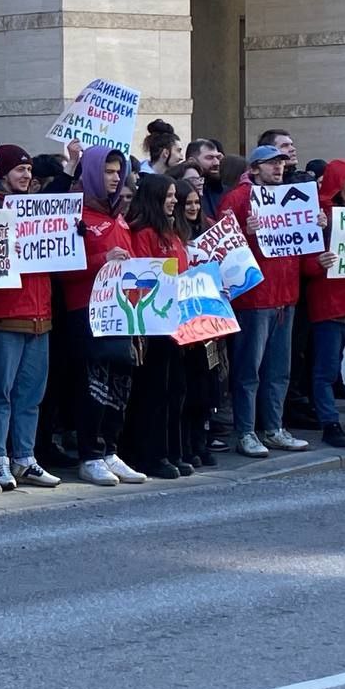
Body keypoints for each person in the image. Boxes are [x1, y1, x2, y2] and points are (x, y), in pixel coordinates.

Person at [0, 145, 61, 490]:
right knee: (0, 394)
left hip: (39, 315)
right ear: (3, 172)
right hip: (3, 315)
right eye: (19, 170)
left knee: (30, 394)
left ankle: (25, 457)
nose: (26, 176)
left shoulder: (37, 208)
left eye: (28, 170)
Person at [219, 144, 316, 457]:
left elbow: (303, 252)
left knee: (279, 370)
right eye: (271, 163)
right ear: (255, 168)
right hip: (255, 298)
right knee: (249, 371)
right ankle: (246, 432)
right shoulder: (236, 199)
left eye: (281, 163)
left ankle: (273, 428)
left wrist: (317, 230)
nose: (278, 168)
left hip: (285, 297)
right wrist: (245, 233)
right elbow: (223, 249)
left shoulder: (291, 197)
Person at [59, 145, 147, 486]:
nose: (114, 178)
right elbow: (63, 268)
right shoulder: (76, 214)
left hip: (121, 311)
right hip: (86, 311)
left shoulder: (118, 216)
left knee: (119, 381)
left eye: (118, 172)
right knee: (92, 384)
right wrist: (102, 259)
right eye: (108, 172)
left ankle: (110, 448)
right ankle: (90, 454)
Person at [125, 174, 191, 479]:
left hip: (175, 323)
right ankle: (151, 454)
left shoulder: (172, 232)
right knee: (153, 392)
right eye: (169, 195)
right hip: (153, 324)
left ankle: (172, 450)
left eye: (175, 195)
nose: (174, 200)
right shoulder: (145, 233)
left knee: (175, 390)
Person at [304, 160, 345, 447]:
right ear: (336, 183)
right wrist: (318, 263)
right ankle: (330, 423)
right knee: (326, 372)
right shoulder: (317, 215)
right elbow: (304, 264)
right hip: (330, 307)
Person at [176, 178, 222, 467]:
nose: (193, 207)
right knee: (189, 388)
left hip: (209, 324)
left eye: (196, 202)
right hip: (184, 324)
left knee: (207, 386)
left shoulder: (208, 232)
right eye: (188, 203)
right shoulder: (175, 236)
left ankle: (201, 441)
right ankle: (187, 444)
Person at [187, 139, 225, 217]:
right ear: (191, 161)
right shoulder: (179, 192)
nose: (216, 163)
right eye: (209, 158)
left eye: (218, 157)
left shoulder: (225, 192)